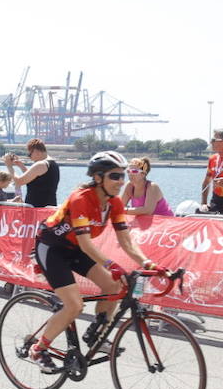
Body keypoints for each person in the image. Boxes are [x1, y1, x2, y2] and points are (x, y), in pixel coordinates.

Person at [27, 151, 159, 370]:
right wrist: (112, 265)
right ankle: (38, 349)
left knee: (114, 286)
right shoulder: (81, 199)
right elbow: (87, 244)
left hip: (75, 248)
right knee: (75, 305)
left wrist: (148, 263)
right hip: (52, 247)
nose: (121, 181)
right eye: (114, 176)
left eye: (122, 175)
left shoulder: (114, 203)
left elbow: (126, 242)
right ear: (98, 178)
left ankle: (95, 335)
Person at [2, 138, 59, 208]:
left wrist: (9, 166)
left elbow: (19, 181)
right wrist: (21, 166)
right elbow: (34, 180)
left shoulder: (40, 164)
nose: (29, 157)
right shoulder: (53, 164)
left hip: (37, 210)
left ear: (36, 152)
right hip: (49, 208)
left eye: (30, 154)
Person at [200, 129, 223, 213]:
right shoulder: (212, 159)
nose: (211, 142)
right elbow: (206, 182)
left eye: (214, 140)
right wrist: (204, 202)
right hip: (215, 200)